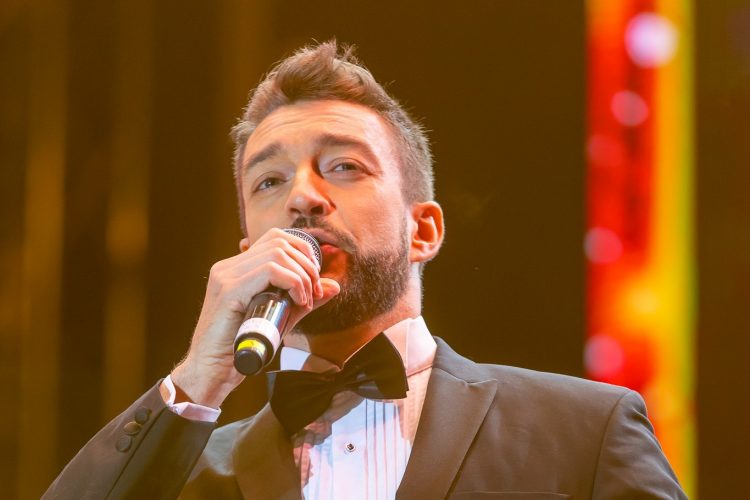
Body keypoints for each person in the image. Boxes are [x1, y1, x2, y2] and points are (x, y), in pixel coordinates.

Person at [44, 41, 686, 499]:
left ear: (423, 230)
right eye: (268, 180)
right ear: (247, 248)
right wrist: (197, 379)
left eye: (344, 166)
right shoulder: (182, 470)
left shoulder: (584, 429)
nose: (302, 197)